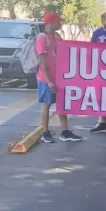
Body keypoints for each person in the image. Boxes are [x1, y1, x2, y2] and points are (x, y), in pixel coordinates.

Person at [36, 11, 83, 144]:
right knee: (47, 104)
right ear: (50, 23)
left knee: (62, 104)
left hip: (59, 78)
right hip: (46, 79)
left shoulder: (55, 37)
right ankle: (45, 132)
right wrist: (49, 81)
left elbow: (65, 52)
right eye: (58, 21)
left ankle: (65, 132)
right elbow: (42, 63)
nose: (60, 23)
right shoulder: (42, 38)